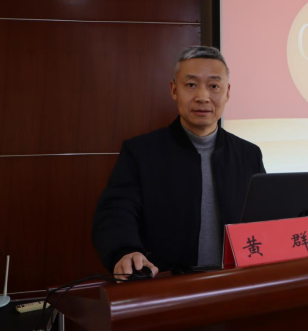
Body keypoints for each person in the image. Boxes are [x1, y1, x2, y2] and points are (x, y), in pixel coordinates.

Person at [92, 46, 266, 280]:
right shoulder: (141, 152)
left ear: (227, 93)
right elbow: (116, 210)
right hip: (166, 286)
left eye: (214, 86)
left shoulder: (248, 154)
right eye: (191, 85)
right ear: (174, 90)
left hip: (235, 284)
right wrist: (125, 250)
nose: (202, 96)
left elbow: (263, 217)